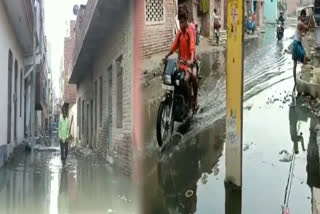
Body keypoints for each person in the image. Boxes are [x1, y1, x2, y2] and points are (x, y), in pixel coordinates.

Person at [165, 5, 199, 113]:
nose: (181, 25)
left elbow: (192, 48)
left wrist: (191, 61)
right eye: (180, 22)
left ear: (186, 20)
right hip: (182, 63)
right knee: (175, 79)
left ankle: (192, 101)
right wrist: (166, 56)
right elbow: (174, 46)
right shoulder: (179, 33)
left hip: (190, 62)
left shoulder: (189, 31)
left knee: (190, 77)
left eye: (183, 22)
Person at [292, 9, 311, 92]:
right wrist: (310, 20)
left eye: (305, 17)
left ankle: (301, 77)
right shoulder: (300, 23)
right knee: (302, 58)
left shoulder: (301, 24)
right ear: (302, 16)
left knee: (300, 60)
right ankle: (297, 80)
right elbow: (306, 28)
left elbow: (304, 31)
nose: (304, 18)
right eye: (304, 17)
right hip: (296, 44)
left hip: (297, 43)